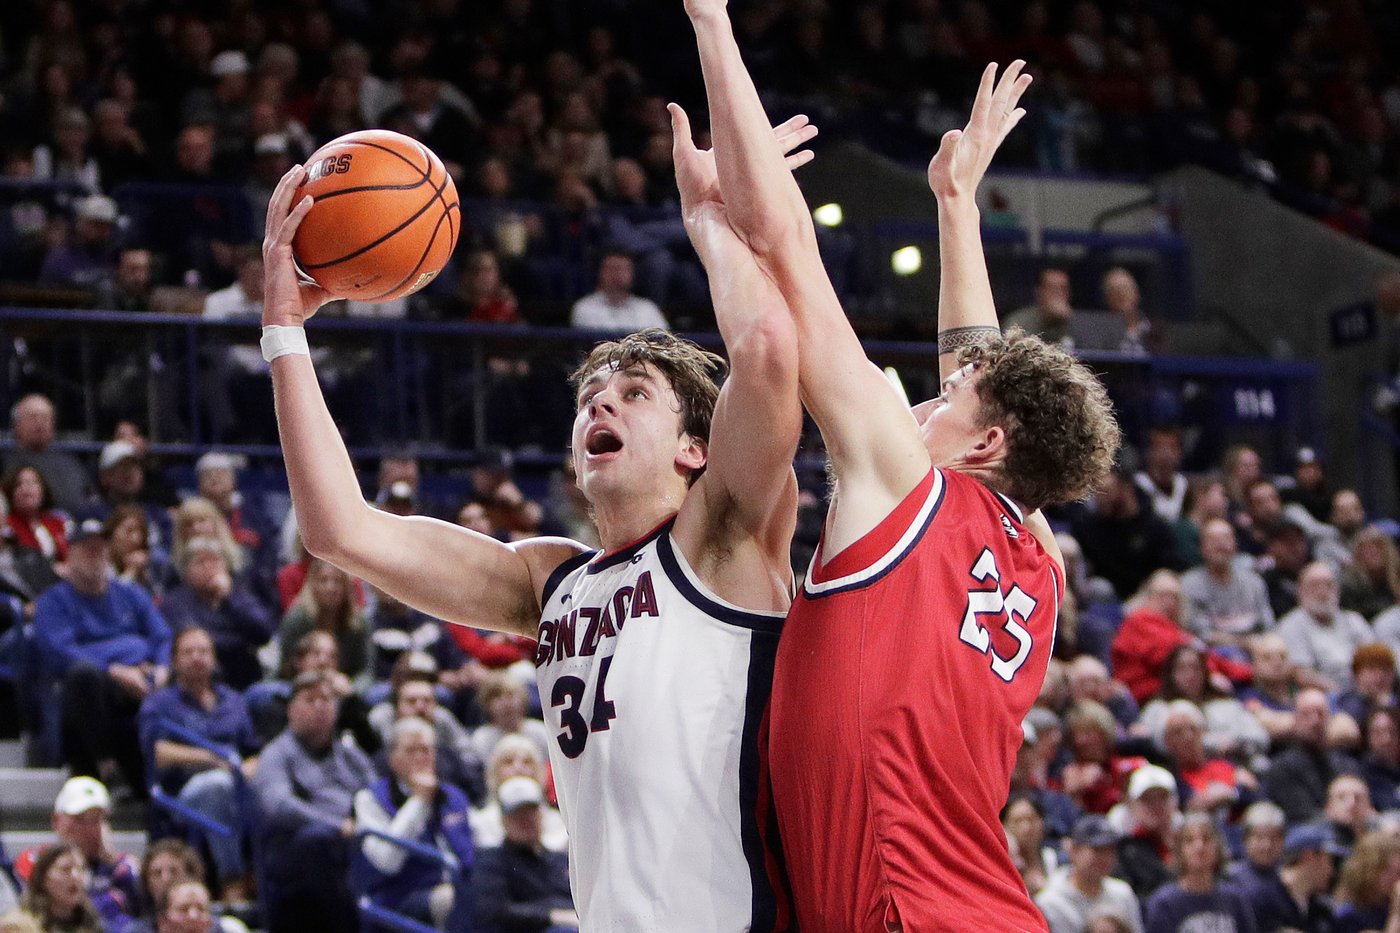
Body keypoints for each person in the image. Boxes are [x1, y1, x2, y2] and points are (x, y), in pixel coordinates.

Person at [260, 95, 814, 926]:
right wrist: (284, 331)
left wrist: (712, 226)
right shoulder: (551, 583)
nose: (600, 407)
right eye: (590, 397)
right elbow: (340, 529)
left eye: (633, 394)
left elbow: (768, 351)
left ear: (695, 448)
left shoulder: (725, 537)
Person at [683, 13, 1115, 924]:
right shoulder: (1040, 559)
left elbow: (785, 243)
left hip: (906, 910)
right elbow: (986, 376)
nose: (927, 394)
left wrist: (712, 24)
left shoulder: (903, 485)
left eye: (947, 400)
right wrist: (956, 207)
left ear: (987, 444)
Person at [33, 518, 171, 792]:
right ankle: (107, 765)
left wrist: (163, 668)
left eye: (100, 549)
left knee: (191, 662)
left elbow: (162, 635)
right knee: (83, 675)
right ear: (70, 555)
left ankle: (170, 774)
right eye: (87, 549)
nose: (95, 556)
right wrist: (114, 670)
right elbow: (59, 651)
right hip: (92, 690)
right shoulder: (54, 601)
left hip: (143, 677)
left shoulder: (130, 593)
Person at [251, 671, 378, 933]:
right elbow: (279, 806)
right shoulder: (276, 755)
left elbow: (377, 795)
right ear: (291, 710)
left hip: (355, 846)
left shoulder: (352, 756)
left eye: (326, 699)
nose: (320, 706)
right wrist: (337, 826)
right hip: (297, 860)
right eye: (310, 699)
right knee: (317, 839)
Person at [137, 627, 258, 899]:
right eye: (188, 652)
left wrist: (249, 767)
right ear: (175, 661)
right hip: (180, 793)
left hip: (236, 783)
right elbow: (157, 752)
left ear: (214, 659)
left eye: (203, 651)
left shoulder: (233, 701)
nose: (197, 657)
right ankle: (232, 879)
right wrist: (212, 759)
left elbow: (253, 749)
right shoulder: (160, 703)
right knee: (216, 788)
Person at [353, 717, 475, 932]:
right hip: (399, 896)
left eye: (426, 750)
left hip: (459, 887)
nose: (421, 757)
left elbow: (477, 846)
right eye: (411, 750)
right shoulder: (370, 799)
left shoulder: (454, 796)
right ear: (392, 758)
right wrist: (419, 801)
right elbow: (387, 861)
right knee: (454, 899)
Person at [12, 777, 140, 929]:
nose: (89, 829)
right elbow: (42, 906)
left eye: (96, 820)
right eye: (79, 819)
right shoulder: (35, 859)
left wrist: (110, 861)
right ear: (56, 820)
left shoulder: (121, 867)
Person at [474, 776, 578, 933]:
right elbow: (495, 912)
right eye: (518, 814)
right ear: (503, 820)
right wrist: (552, 916)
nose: (526, 820)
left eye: (531, 811)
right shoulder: (492, 863)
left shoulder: (560, 861)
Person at [1142, 813, 1256, 933]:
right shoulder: (1164, 903)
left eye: (1206, 839)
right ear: (1179, 849)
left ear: (1218, 847)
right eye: (1189, 840)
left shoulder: (1235, 900)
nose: (1199, 847)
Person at [1035, 814, 1144, 933]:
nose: (1105, 858)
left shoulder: (1123, 894)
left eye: (1110, 850)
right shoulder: (1050, 902)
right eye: (1097, 850)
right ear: (1074, 850)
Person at [1279, 561, 1377, 689]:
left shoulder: (1354, 620)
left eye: (1328, 585)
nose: (1322, 592)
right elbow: (1303, 674)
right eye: (1314, 585)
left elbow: (1376, 660)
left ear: (1338, 590)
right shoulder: (1291, 626)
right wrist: (1342, 695)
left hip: (1364, 692)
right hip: (1325, 697)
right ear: (1300, 591)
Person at [2, 394, 89, 515]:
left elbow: (89, 496)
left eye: (45, 418)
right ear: (17, 424)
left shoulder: (71, 462)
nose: (40, 423)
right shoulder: (4, 463)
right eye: (33, 417)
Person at [568, 250, 669, 331]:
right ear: (600, 272)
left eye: (624, 269)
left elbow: (664, 343)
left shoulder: (648, 308)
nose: (618, 273)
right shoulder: (584, 308)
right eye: (613, 268)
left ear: (632, 273)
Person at [18, 844, 103, 933]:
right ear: (43, 878)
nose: (76, 876)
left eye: (81, 869)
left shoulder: (94, 923)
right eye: (65, 869)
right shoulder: (20, 926)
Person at [3, 467, 69, 565]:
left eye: (32, 483)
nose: (26, 489)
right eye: (18, 484)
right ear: (10, 493)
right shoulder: (6, 525)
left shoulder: (59, 522)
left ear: (43, 490)